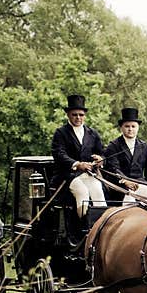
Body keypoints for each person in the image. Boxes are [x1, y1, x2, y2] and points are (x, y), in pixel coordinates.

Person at [51, 94, 107, 240]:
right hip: (68, 176)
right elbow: (59, 154)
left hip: (89, 174)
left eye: (81, 115)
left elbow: (100, 153)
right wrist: (77, 164)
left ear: (85, 115)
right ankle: (83, 230)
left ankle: (100, 229)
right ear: (68, 115)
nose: (78, 118)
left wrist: (100, 160)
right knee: (82, 193)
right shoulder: (60, 133)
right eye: (74, 114)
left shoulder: (92, 133)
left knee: (98, 191)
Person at [103, 107, 147, 204]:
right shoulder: (113, 145)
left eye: (133, 126)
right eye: (127, 126)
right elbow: (113, 168)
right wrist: (125, 181)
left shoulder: (144, 146)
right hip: (120, 186)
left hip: (140, 184)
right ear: (121, 127)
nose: (130, 129)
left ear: (138, 127)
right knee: (129, 197)